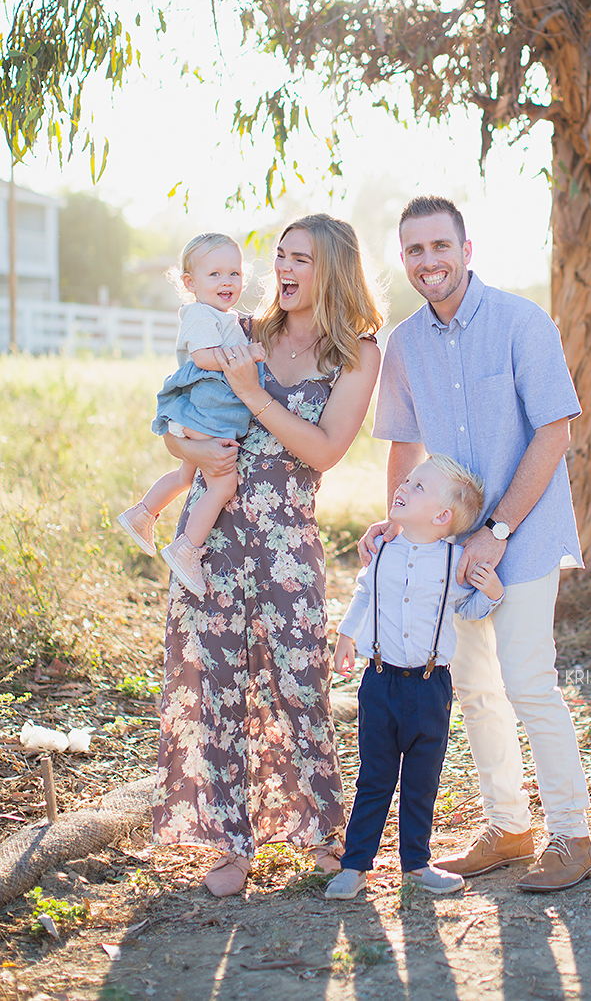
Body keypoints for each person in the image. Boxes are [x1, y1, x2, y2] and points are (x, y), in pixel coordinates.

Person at [359, 195, 591, 894]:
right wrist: (401, 528)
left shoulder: (522, 322)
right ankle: (509, 826)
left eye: (439, 246)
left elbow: (554, 431)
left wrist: (496, 532)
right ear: (403, 261)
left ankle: (573, 834)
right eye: (414, 250)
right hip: (448, 544)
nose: (428, 260)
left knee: (527, 680)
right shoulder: (403, 344)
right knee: (474, 689)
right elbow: (405, 443)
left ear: (468, 249)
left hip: (520, 536)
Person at [151, 214, 382, 897]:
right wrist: (188, 450)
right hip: (213, 537)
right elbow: (178, 419)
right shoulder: (240, 330)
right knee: (213, 686)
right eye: (279, 255)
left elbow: (325, 449)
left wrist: (254, 394)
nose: (281, 267)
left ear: (331, 270)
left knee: (298, 683)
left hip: (286, 544)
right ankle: (228, 842)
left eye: (300, 258)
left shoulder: (358, 355)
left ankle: (318, 831)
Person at [326, 454, 502, 900]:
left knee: (422, 780)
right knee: (375, 776)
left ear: (442, 516)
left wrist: (493, 595)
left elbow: (472, 608)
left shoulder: (456, 561)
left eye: (418, 486)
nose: (403, 486)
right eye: (408, 480)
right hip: (380, 681)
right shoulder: (382, 549)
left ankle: (417, 864)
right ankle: (355, 865)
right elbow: (365, 594)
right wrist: (347, 636)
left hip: (430, 687)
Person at [118, 233, 266, 596]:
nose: (227, 281)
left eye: (234, 273)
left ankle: (142, 514)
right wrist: (250, 355)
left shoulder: (221, 315)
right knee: (223, 484)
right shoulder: (200, 314)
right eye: (214, 274)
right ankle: (187, 549)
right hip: (209, 414)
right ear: (190, 283)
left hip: (205, 412)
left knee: (187, 474)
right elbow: (203, 357)